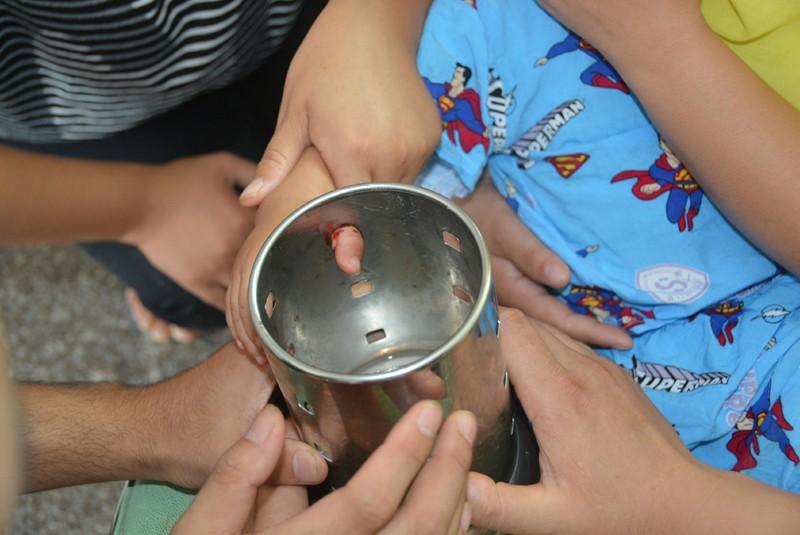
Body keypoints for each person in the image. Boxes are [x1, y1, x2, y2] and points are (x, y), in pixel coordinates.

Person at [229, 0, 800, 494]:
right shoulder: (515, 20)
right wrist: (302, 202)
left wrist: (661, 44)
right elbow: (378, 109)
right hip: (563, 383)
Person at [0, 0, 440, 342]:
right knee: (209, 292)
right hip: (77, 115)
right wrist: (142, 209)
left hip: (285, 22)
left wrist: (377, 19)